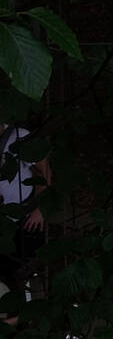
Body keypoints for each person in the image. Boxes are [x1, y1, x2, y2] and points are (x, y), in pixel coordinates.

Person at [0, 122, 50, 300]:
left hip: (24, 213)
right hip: (3, 221)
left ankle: (26, 290)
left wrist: (40, 209)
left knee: (24, 256)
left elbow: (44, 171)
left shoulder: (20, 137)